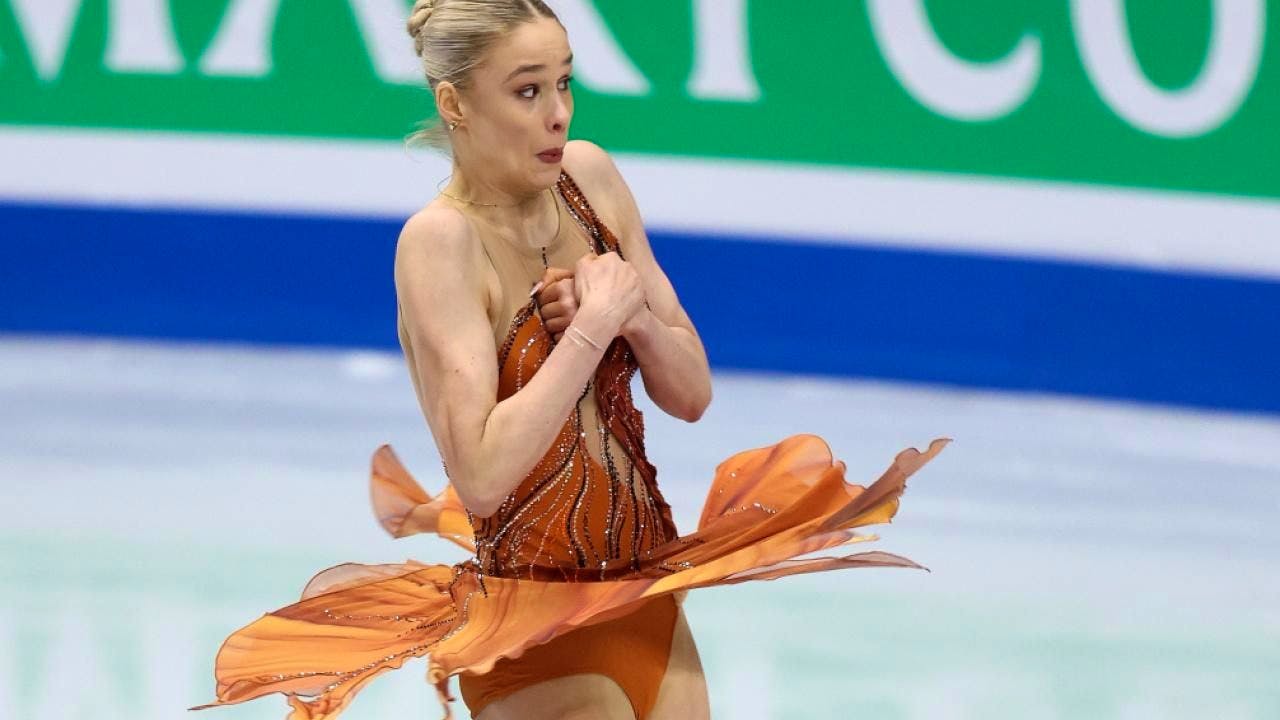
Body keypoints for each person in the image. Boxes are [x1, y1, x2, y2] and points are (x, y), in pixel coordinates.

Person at [193, 2, 949, 719]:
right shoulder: (440, 243)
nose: (557, 112)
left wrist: (636, 321)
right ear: (456, 105)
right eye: (526, 91)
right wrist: (590, 333)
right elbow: (483, 478)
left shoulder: (588, 179)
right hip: (532, 626)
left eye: (563, 83)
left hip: (646, 602)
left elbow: (691, 393)